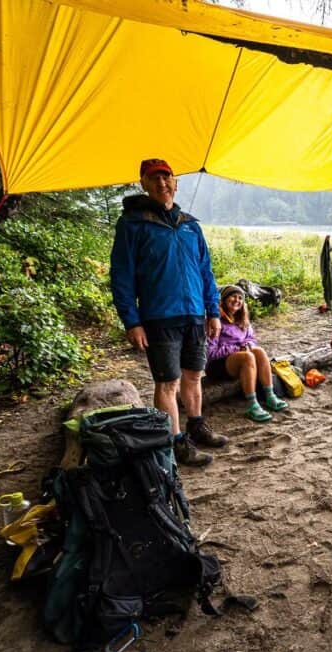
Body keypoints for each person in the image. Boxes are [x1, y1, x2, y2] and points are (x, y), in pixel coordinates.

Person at [110, 158, 229, 467]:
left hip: (194, 314)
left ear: (176, 183)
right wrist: (131, 321)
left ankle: (197, 425)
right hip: (159, 317)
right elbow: (121, 275)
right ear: (144, 185)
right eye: (155, 179)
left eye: (167, 177)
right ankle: (175, 442)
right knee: (168, 383)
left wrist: (213, 311)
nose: (162, 183)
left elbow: (205, 271)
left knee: (194, 375)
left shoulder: (189, 224)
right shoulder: (132, 224)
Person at [206, 285, 289, 422]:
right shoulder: (216, 322)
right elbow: (211, 353)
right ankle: (252, 404)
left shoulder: (242, 320)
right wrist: (237, 348)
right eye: (233, 296)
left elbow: (251, 340)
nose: (237, 300)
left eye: (240, 298)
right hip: (217, 366)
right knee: (247, 356)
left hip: (240, 361)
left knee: (259, 351)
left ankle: (270, 395)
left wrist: (247, 345)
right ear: (224, 299)